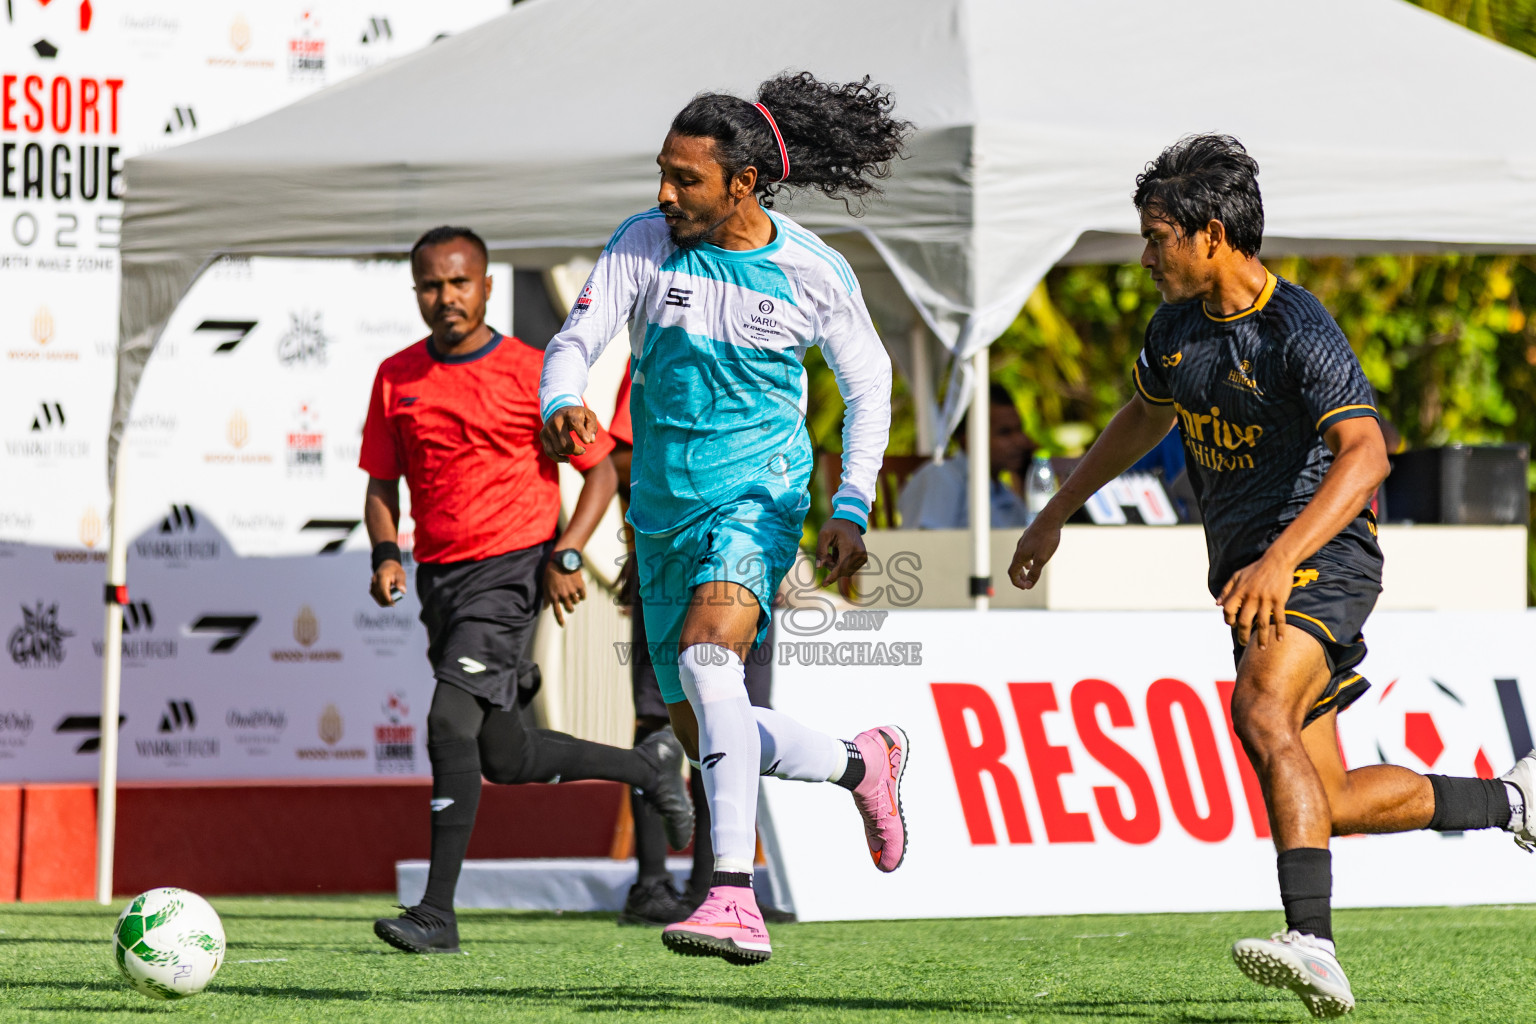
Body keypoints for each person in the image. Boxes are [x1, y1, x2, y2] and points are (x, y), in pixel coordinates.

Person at [1006, 135, 1536, 1019]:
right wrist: (1056, 510)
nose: (1144, 257)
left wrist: (1281, 558)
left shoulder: (1297, 327)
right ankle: (1513, 799)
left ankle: (1314, 943)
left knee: (1258, 707)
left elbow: (1368, 455)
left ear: (1211, 235)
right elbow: (1145, 414)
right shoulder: (1173, 328)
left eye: (1156, 238)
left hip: (1322, 558)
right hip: (1250, 576)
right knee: (1326, 797)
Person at [540, 73, 912, 965]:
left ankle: (731, 895)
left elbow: (870, 386)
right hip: (661, 513)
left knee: (714, 664)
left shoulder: (811, 270)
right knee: (703, 726)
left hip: (759, 497)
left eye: (686, 178)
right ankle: (866, 763)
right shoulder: (642, 244)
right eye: (662, 173)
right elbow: (575, 341)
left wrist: (852, 505)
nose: (665, 193)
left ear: (742, 183)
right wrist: (563, 399)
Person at [361, 226, 694, 955]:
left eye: (459, 283)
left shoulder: (532, 373)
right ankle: (647, 766)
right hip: (440, 582)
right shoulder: (395, 377)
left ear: (485, 286)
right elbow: (382, 485)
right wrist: (387, 548)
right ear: (416, 290)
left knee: (449, 722)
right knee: (502, 757)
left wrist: (568, 552)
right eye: (430, 285)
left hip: (509, 575)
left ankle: (436, 915)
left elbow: (603, 469)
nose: (445, 298)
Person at [896, 382, 1033, 529]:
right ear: (968, 439)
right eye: (1005, 432)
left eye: (1020, 430)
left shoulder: (1005, 493)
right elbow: (924, 546)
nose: (1021, 441)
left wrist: (1024, 478)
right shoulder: (942, 477)